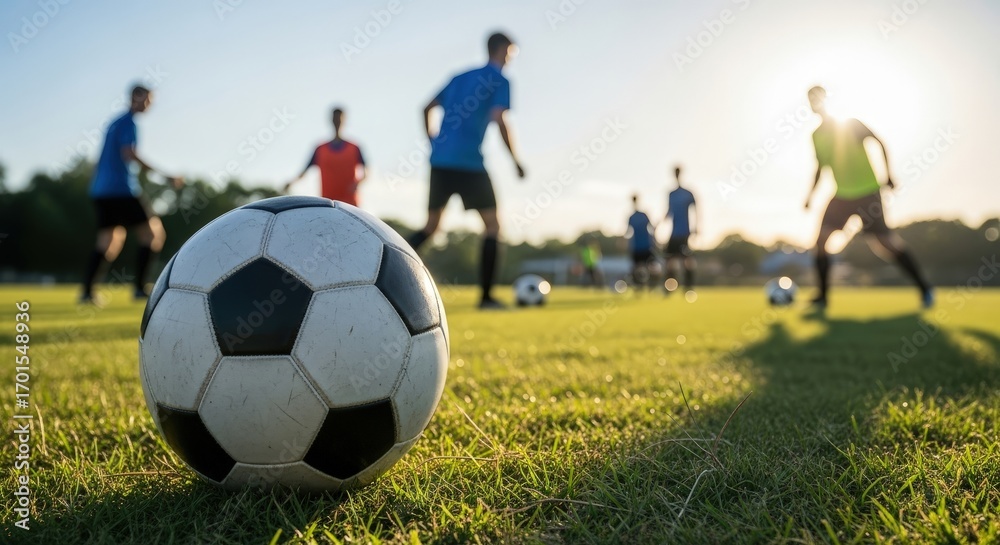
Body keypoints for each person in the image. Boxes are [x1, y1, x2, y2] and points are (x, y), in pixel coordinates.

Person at [406, 32, 526, 309]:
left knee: (431, 227)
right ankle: (485, 298)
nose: (510, 60)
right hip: (470, 163)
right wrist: (516, 161)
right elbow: (500, 118)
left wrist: (433, 141)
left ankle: (387, 263)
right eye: (510, 54)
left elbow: (426, 107)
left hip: (440, 160)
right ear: (502, 50)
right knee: (493, 226)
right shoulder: (500, 79)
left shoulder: (459, 77)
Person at [804, 86, 932, 309]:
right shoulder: (816, 135)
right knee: (821, 242)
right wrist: (810, 195)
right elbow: (820, 166)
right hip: (841, 195)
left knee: (886, 244)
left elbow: (879, 142)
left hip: (867, 193)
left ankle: (925, 288)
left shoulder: (851, 124)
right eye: (811, 100)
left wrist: (889, 174)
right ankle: (823, 298)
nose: (816, 103)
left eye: (819, 98)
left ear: (826, 99)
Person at [81, 84, 183, 304]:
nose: (148, 105)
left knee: (108, 241)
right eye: (146, 100)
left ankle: (87, 293)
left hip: (101, 191)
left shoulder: (115, 122)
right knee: (154, 234)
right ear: (135, 97)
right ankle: (139, 289)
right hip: (121, 189)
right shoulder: (129, 123)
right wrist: (166, 176)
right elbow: (129, 153)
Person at [284, 107, 366, 206]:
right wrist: (291, 183)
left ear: (344, 120)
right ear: (331, 120)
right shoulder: (320, 149)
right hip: (328, 204)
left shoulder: (354, 148)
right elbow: (304, 172)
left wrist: (358, 182)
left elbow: (366, 172)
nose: (337, 122)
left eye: (339, 119)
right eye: (335, 119)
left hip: (350, 205)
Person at [663, 165, 697, 293]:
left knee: (687, 260)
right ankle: (670, 287)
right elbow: (669, 211)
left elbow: (696, 209)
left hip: (684, 232)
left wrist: (697, 226)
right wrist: (660, 223)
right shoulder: (671, 194)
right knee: (669, 260)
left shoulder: (687, 194)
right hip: (674, 233)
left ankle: (688, 287)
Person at [625, 195, 655, 288]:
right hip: (637, 246)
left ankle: (650, 285)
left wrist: (655, 241)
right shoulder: (632, 217)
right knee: (637, 267)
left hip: (646, 245)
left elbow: (652, 228)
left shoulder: (643, 215)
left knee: (650, 266)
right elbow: (627, 232)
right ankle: (638, 286)